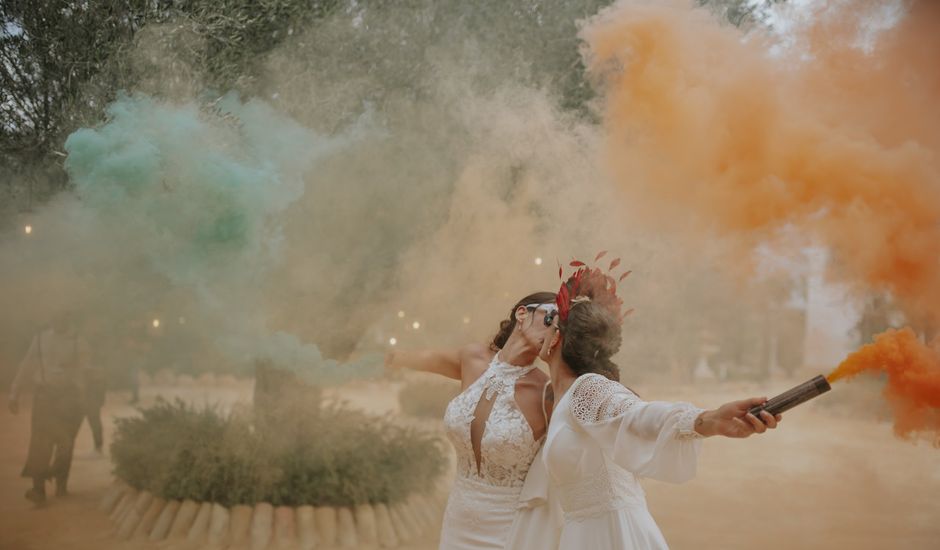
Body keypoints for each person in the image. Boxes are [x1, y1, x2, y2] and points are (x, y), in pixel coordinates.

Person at [511, 263, 781, 549]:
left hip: (614, 534)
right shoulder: (560, 397)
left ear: (557, 338)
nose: (543, 327)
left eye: (549, 321)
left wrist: (708, 420)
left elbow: (639, 415)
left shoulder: (587, 389)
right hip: (581, 535)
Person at [386, 292, 557, 550]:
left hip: (511, 528)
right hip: (458, 521)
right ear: (522, 313)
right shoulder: (472, 358)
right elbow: (409, 359)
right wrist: (381, 359)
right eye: (551, 317)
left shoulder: (546, 391)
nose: (555, 328)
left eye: (561, 326)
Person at [7, 313, 90, 505]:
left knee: (65, 444)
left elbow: (84, 373)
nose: (57, 320)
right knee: (40, 444)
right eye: (54, 316)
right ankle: (39, 491)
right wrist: (14, 393)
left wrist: (81, 397)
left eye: (61, 316)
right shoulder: (41, 339)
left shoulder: (79, 341)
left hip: (68, 398)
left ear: (68, 318)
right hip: (44, 396)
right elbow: (26, 364)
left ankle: (60, 484)